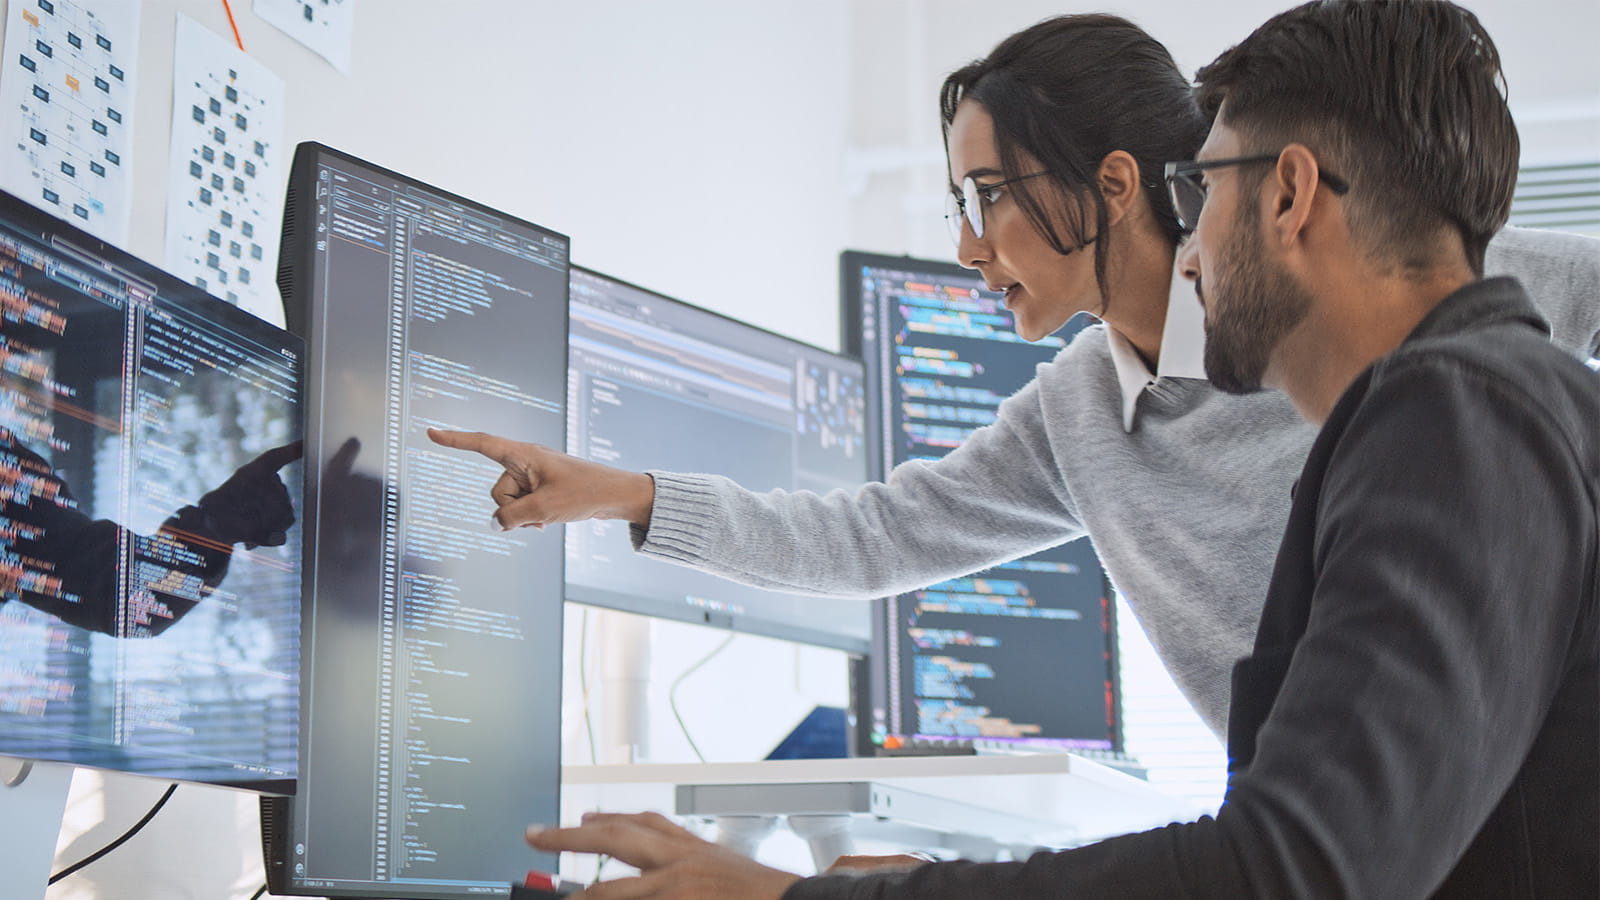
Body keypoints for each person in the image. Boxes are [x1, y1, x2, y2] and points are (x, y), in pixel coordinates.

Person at [514, 0, 1599, 894]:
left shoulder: (1448, 375)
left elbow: (1291, 868)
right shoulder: (1084, 411)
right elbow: (877, 533)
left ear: (1286, 199)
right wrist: (632, 497)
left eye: (989, 197)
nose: (968, 247)